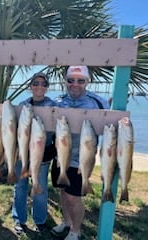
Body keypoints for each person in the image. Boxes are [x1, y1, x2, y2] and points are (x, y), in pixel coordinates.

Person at [51, 66, 110, 240]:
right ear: (65, 82)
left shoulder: (99, 102)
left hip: (81, 159)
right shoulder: (58, 101)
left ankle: (76, 231)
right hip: (60, 157)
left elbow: (110, 126)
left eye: (80, 80)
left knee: (73, 198)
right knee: (63, 192)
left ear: (87, 81)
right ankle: (67, 222)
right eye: (71, 80)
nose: (75, 84)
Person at [12, 72, 57, 235]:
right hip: (22, 153)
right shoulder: (22, 104)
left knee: (40, 188)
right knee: (20, 187)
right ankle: (19, 219)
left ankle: (40, 220)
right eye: (36, 83)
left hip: (42, 155)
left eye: (43, 83)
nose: (39, 86)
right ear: (30, 86)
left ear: (47, 87)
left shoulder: (53, 106)